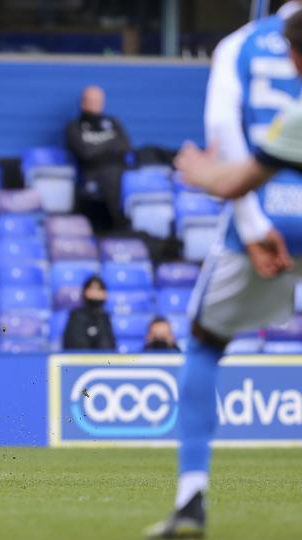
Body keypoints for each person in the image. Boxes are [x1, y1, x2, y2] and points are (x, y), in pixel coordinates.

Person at [146, 5, 302, 538]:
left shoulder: (242, 45)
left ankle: (192, 497)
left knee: (206, 342)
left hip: (274, 213)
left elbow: (230, 151)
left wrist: (254, 226)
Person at [65, 85, 131, 233]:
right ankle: (119, 228)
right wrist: (111, 144)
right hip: (92, 174)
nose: (96, 104)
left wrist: (98, 147)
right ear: (83, 103)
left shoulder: (113, 122)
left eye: (98, 101)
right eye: (92, 101)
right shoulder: (74, 127)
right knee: (109, 177)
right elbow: (85, 153)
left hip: (119, 172)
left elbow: (126, 146)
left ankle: (122, 228)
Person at [62, 275, 116, 351]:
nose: (96, 293)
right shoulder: (77, 316)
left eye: (100, 289)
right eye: (93, 289)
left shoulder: (105, 318)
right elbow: (75, 344)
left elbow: (110, 346)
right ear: (85, 291)